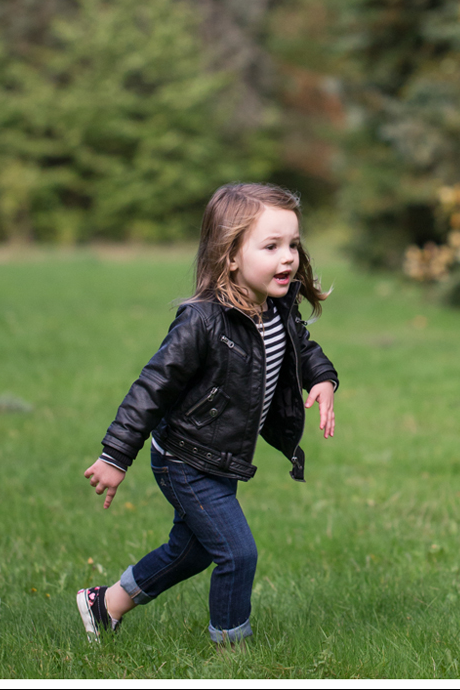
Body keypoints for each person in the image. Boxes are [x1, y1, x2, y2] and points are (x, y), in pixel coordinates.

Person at [77, 183, 338, 648]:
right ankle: (232, 648)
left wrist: (322, 379)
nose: (288, 258)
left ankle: (106, 605)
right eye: (272, 246)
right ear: (231, 255)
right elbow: (152, 387)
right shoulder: (202, 320)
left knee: (192, 549)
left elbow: (303, 346)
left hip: (220, 457)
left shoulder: (277, 306)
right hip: (184, 459)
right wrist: (115, 456)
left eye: (293, 244)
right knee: (237, 553)